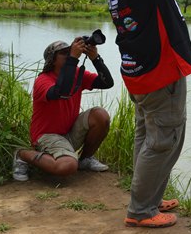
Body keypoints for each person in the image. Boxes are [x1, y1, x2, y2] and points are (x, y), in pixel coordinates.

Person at [105, 0, 191, 228]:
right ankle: (141, 210)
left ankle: (149, 199)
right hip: (158, 71)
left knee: (148, 136)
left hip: (139, 70)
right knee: (163, 139)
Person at [12, 37, 114, 181]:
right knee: (67, 166)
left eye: (69, 51)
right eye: (64, 53)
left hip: (68, 132)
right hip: (46, 136)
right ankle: (22, 154)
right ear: (53, 60)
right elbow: (61, 91)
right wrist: (73, 58)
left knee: (100, 115)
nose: (68, 54)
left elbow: (107, 83)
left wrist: (95, 58)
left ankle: (84, 160)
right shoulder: (43, 80)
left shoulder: (77, 73)